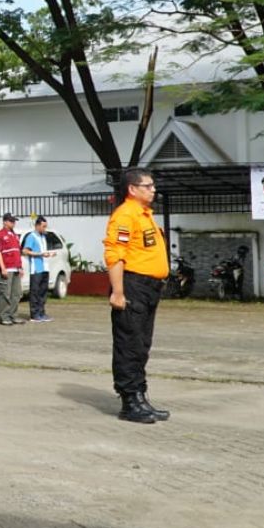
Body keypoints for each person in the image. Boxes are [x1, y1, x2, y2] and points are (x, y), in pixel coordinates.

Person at [104, 167, 171, 424]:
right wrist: (118, 292)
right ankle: (129, 400)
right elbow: (114, 254)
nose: (153, 190)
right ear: (132, 189)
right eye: (148, 186)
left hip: (149, 288)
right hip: (132, 286)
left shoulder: (145, 215)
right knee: (129, 344)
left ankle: (141, 396)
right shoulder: (125, 215)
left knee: (142, 344)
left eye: (153, 185)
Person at [22, 216, 55, 322]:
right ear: (37, 225)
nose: (45, 228)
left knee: (43, 292)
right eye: (43, 226)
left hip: (45, 267)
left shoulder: (43, 237)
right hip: (36, 269)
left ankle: (41, 312)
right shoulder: (31, 236)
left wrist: (49, 254)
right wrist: (40, 254)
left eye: (46, 226)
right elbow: (25, 251)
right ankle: (34, 314)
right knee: (35, 292)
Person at [0, 213, 24, 326]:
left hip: (16, 268)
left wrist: (20, 267)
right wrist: (2, 268)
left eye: (14, 221)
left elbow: (17, 252)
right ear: (5, 222)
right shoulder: (0, 235)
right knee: (5, 293)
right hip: (6, 268)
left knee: (16, 294)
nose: (13, 223)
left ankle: (13, 315)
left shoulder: (15, 235)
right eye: (11, 221)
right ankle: (4, 316)